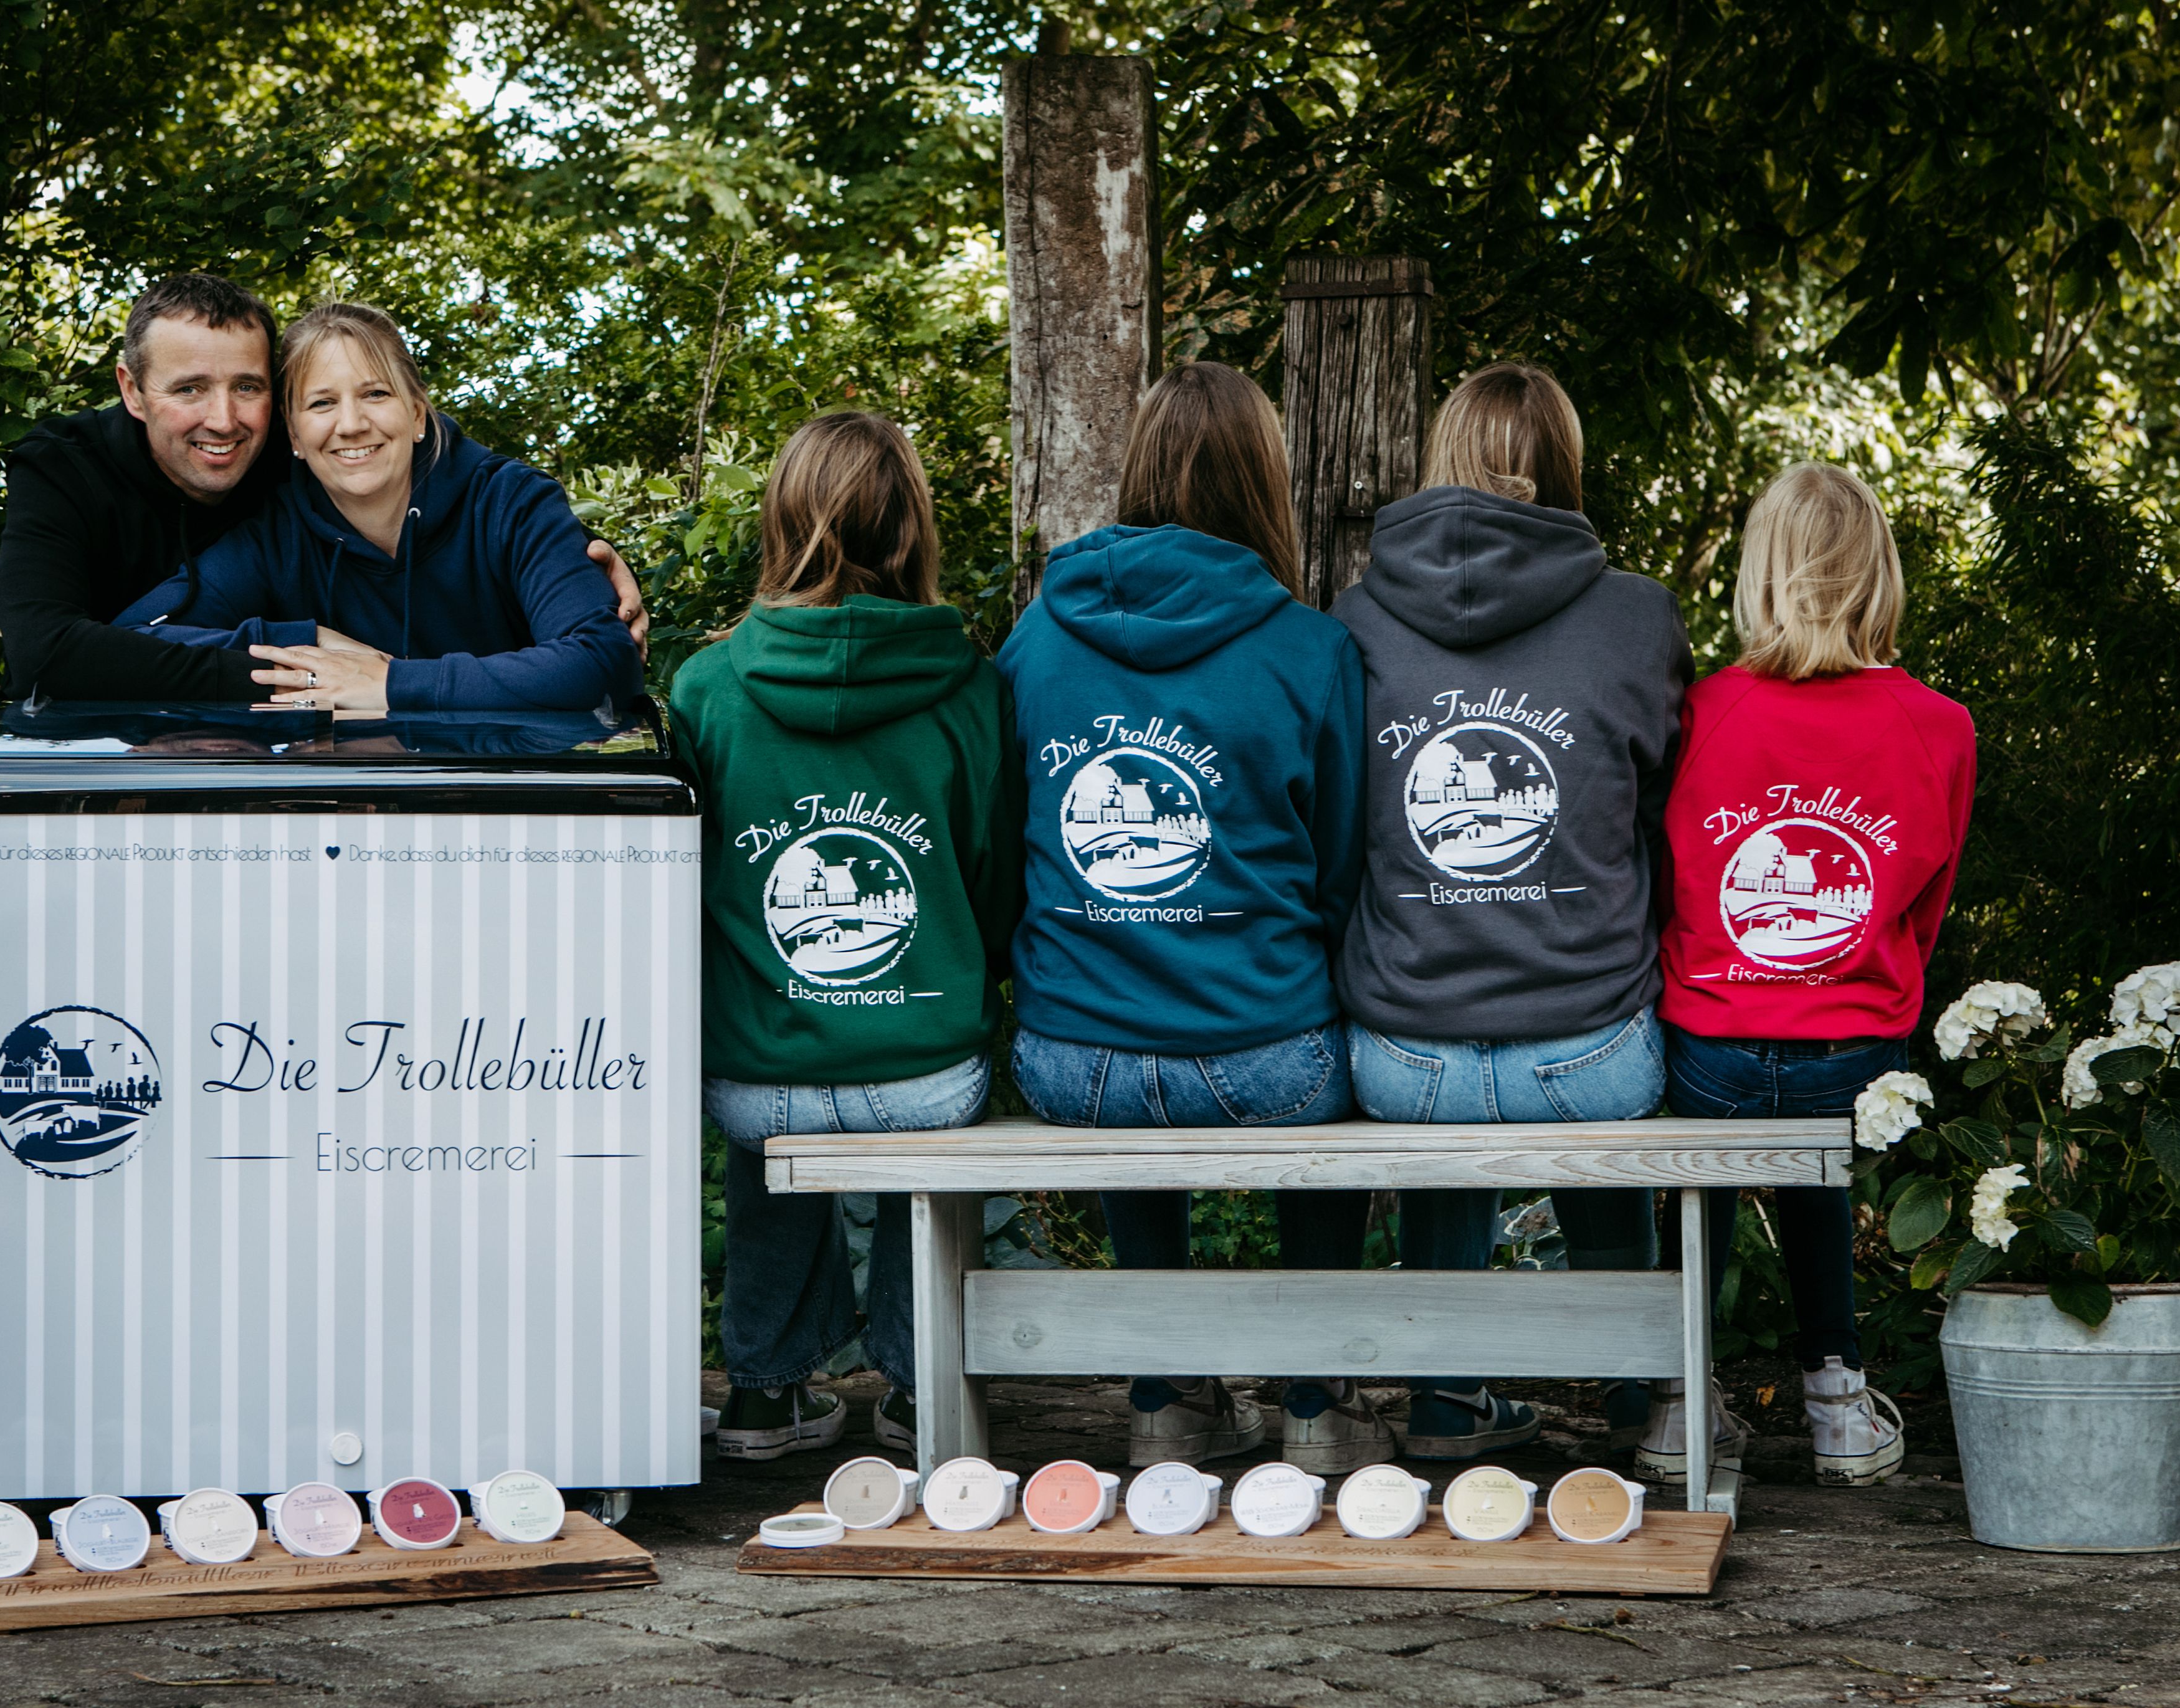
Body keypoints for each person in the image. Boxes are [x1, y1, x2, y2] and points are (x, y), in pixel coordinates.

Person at [999, 363, 1380, 1473]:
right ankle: (1315, 1399)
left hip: (1073, 1059)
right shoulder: (1311, 647)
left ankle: (1165, 1395)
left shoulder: (1037, 637)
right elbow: (1341, 869)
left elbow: (1010, 837)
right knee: (1350, 1060)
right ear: (1264, 479)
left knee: (1126, 1028)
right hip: (1269, 1056)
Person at [1331, 362, 1689, 1462]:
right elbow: (1664, 818)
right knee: (1604, 1032)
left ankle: (1444, 1399)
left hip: (1404, 1055)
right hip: (1592, 1052)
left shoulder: (1355, 617)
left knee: (1442, 1065)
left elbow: (1338, 831)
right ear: (1564, 466)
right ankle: (1636, 1390)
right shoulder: (1637, 616)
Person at [667, 412, 1022, 1461]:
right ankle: (920, 1388)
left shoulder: (707, 687)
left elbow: (687, 885)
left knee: (770, 1105)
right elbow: (993, 880)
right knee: (921, 1141)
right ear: (912, 527)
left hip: (757, 1074)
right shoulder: (970, 684)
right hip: (924, 1070)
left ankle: (763, 1391)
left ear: (781, 521)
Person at [1649, 460, 1973, 1488]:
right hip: (1856, 1053)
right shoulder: (1939, 726)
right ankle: (1836, 1398)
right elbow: (1924, 910)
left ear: (1762, 573)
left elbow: (1661, 881)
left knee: (1697, 1173)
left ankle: (1675, 1400)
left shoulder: (1699, 712)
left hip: (1708, 1045)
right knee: (1811, 1157)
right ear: (1877, 575)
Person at [0, 274, 644, 704]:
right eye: (322, 403)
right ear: (296, 436)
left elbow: (600, 654)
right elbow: (122, 639)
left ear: (419, 413)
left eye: (376, 394)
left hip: (515, 794)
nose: (351, 424)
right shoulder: (278, 529)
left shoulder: (508, 504)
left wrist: (391, 682)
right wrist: (304, 644)